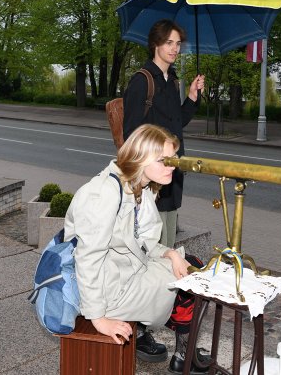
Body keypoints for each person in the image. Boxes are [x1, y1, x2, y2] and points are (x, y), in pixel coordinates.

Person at [65, 123, 210, 373]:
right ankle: (183, 356)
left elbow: (141, 243)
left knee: (190, 266)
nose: (172, 166)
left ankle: (180, 352)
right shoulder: (104, 193)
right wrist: (99, 320)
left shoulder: (138, 187)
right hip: (104, 292)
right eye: (163, 160)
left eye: (173, 159)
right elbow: (86, 259)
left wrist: (172, 254)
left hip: (121, 274)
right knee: (192, 282)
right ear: (140, 157)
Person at [122, 19, 205, 248]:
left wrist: (192, 96)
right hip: (152, 179)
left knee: (167, 243)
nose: (174, 49)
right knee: (153, 246)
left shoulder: (171, 81)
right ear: (155, 44)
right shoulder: (142, 81)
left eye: (177, 43)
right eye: (169, 42)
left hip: (171, 175)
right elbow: (131, 134)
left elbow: (176, 124)